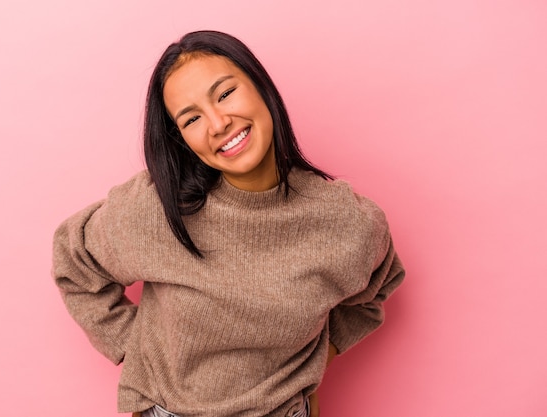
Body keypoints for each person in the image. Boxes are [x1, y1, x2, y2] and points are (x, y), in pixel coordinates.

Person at [52, 30, 405, 417]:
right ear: (183, 138)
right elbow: (74, 263)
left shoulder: (345, 223)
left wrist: (319, 358)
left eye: (224, 94)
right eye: (191, 118)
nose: (218, 123)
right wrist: (132, 349)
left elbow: (376, 290)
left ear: (260, 86)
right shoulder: (158, 209)